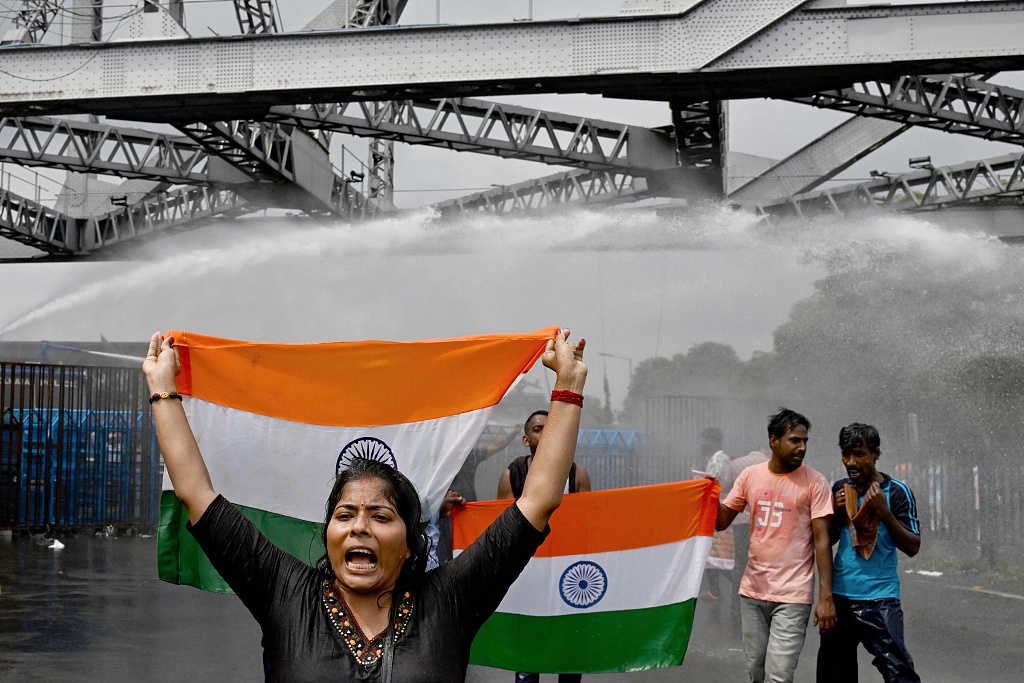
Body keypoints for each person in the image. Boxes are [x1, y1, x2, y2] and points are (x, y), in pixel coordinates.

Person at [143, 328, 587, 683]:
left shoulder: (451, 600)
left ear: (412, 543)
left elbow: (538, 500)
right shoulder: (286, 594)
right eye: (345, 515)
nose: (359, 527)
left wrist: (567, 387)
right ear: (328, 534)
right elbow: (197, 494)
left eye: (381, 516)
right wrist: (163, 389)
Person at [715, 408, 836, 683]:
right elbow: (722, 521)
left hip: (793, 596)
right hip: (753, 592)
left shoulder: (815, 482)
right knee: (757, 672)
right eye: (794, 440)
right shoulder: (750, 476)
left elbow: (822, 540)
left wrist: (825, 597)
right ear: (774, 441)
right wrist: (708, 495)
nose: (802, 447)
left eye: (805, 440)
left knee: (779, 675)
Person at [816, 423, 921, 683]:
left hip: (881, 600)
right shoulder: (841, 489)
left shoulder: (896, 492)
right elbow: (824, 542)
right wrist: (838, 513)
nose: (851, 462)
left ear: (875, 454)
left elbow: (913, 546)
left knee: (900, 674)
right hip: (840, 598)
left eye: (859, 454)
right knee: (834, 675)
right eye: (846, 454)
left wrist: (883, 512)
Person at [497, 409, 592, 683]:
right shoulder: (512, 475)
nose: (546, 432)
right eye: (538, 428)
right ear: (526, 440)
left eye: (551, 427)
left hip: (568, 572)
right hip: (528, 571)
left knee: (569, 651)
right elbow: (502, 531)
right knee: (528, 651)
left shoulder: (577, 474)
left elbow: (587, 526)